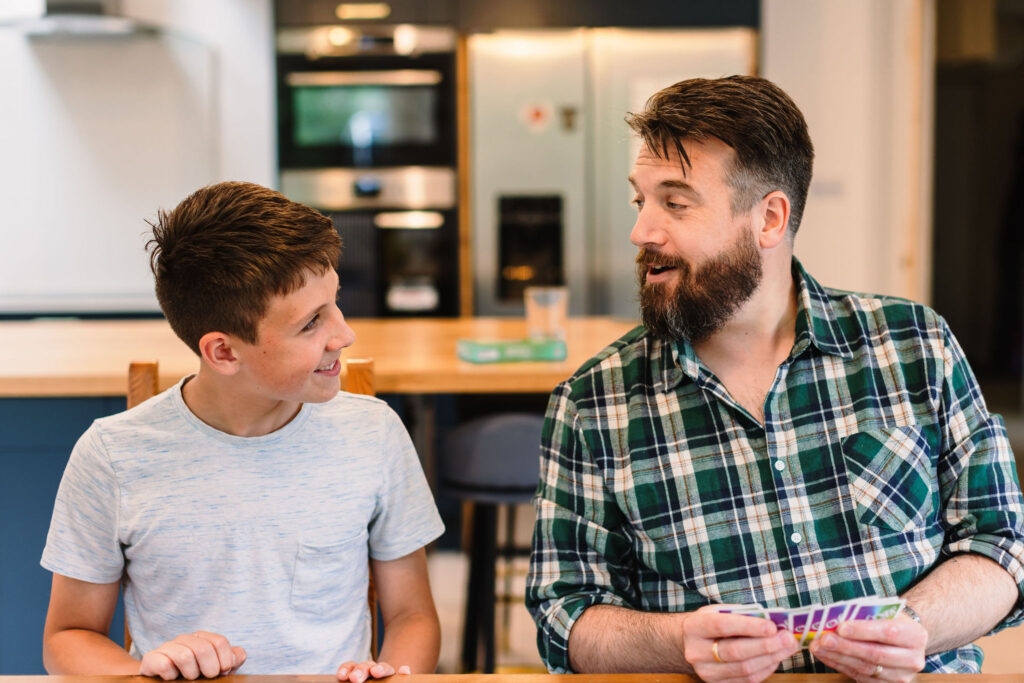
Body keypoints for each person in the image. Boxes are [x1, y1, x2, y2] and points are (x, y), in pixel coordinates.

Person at [526, 76, 1024, 682]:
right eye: (641, 201)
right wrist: (678, 641)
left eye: (675, 203)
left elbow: (1001, 545)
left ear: (769, 218)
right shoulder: (592, 403)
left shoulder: (915, 345)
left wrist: (915, 625)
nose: (642, 232)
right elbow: (564, 616)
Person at [40, 182, 444, 682]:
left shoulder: (374, 433)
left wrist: (392, 673)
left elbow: (413, 616)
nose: (344, 334)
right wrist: (144, 670)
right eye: (311, 323)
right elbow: (67, 637)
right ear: (224, 352)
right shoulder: (111, 456)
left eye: (335, 303)